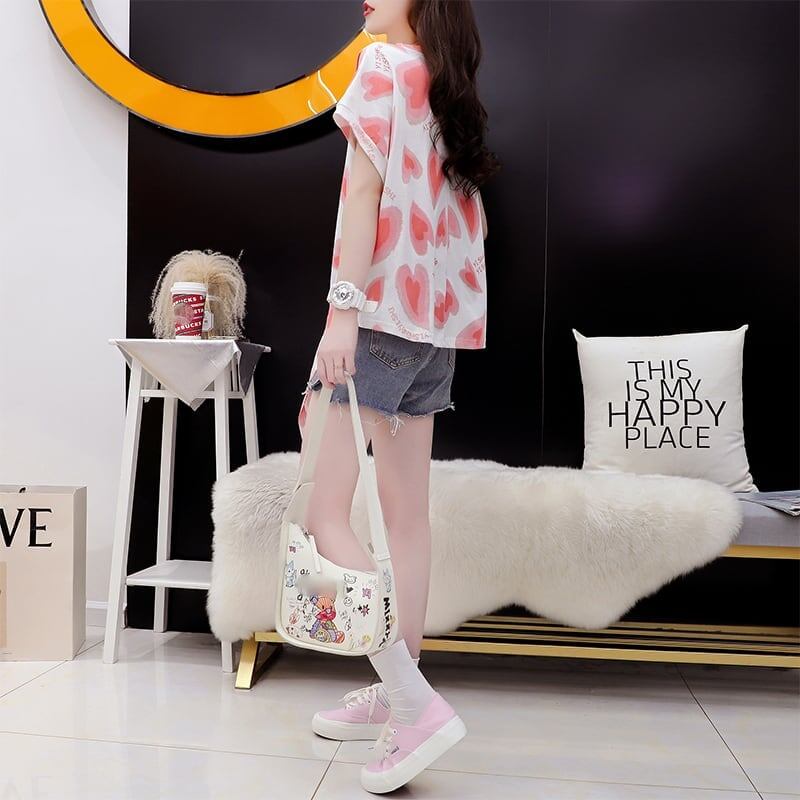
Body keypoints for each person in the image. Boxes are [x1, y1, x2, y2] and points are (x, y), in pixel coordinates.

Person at [296, 0, 499, 793]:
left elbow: (362, 198)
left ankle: (413, 703)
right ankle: (398, 685)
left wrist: (341, 316)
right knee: (407, 518)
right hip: (434, 329)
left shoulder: (380, 66)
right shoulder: (445, 85)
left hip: (379, 319)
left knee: (326, 515)